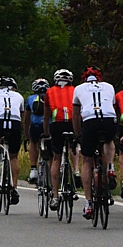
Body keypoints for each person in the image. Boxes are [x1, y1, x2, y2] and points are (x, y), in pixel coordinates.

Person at [73, 66, 117, 220]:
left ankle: (89, 203)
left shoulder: (78, 89)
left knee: (87, 159)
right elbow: (113, 106)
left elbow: (75, 116)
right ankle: (110, 167)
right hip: (109, 119)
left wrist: (78, 135)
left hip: (90, 121)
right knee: (109, 141)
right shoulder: (109, 86)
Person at [0, 76, 26, 205]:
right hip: (15, 123)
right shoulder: (19, 96)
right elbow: (22, 117)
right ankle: (15, 187)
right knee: (14, 157)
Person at [43, 68, 79, 210]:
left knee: (56, 157)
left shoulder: (50, 91)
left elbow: (46, 115)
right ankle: (76, 170)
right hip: (72, 123)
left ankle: (55, 196)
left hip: (57, 124)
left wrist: (47, 133)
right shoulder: (75, 90)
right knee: (73, 147)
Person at [26, 78, 49, 184]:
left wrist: (27, 134)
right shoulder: (51, 97)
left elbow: (26, 118)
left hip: (35, 126)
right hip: (49, 126)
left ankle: (33, 169)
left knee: (33, 142)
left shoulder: (30, 99)